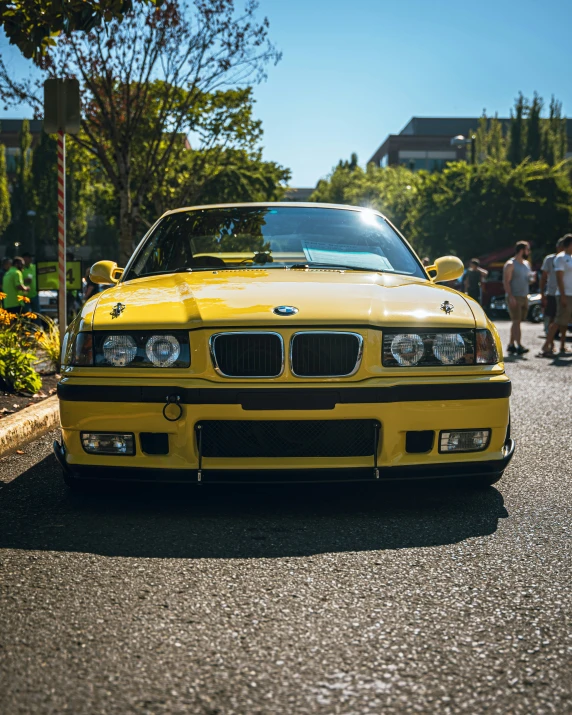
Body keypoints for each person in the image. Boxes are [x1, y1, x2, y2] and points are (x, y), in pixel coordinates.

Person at [540, 234, 572, 357]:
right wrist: (563, 295)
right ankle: (546, 345)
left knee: (563, 321)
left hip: (571, 294)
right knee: (558, 320)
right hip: (564, 294)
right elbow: (559, 277)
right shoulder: (560, 258)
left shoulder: (571, 257)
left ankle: (562, 345)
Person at [503, 241, 532, 355]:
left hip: (524, 296)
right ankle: (519, 345)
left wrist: (532, 280)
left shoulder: (526, 264)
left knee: (517, 322)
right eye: (527, 249)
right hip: (514, 296)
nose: (528, 252)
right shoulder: (510, 264)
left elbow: (528, 279)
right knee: (516, 321)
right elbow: (506, 281)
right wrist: (510, 297)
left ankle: (511, 345)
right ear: (521, 250)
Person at [540, 238, 565, 335]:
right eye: (561, 247)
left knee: (563, 319)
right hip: (552, 293)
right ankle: (550, 342)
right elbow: (543, 278)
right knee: (551, 317)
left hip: (566, 293)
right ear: (557, 247)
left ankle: (561, 343)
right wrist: (542, 293)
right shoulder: (549, 259)